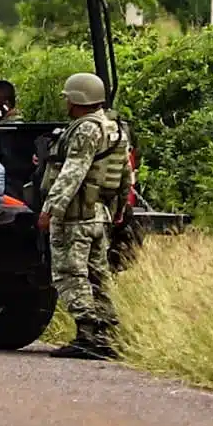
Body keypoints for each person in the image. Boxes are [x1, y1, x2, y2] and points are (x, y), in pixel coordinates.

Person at [44, 71, 133, 360]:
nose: (66, 103)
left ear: (78, 99)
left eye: (69, 98)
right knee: (98, 276)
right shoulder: (116, 128)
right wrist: (120, 210)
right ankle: (108, 335)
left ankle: (87, 335)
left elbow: (73, 172)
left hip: (76, 215)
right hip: (100, 214)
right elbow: (125, 176)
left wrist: (50, 209)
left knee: (71, 274)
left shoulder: (85, 129)